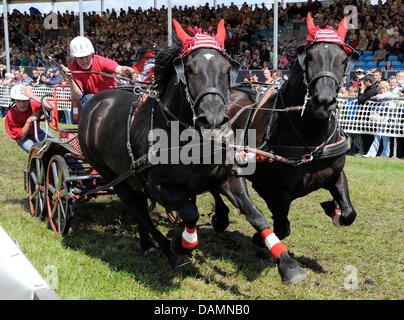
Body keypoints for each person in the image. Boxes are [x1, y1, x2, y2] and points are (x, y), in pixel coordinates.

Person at [62, 36, 137, 108]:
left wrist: (127, 70)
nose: (84, 60)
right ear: (75, 58)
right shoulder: (73, 68)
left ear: (92, 54)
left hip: (111, 97)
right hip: (92, 100)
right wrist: (70, 78)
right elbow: (78, 95)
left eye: (87, 56)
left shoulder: (101, 61)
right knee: (89, 98)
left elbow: (119, 69)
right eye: (81, 58)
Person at [4, 84, 54, 153]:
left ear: (28, 100)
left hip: (38, 131)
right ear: (14, 101)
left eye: (24, 100)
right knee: (37, 152)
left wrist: (32, 96)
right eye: (18, 101)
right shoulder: (11, 115)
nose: (22, 104)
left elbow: (52, 106)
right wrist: (29, 120)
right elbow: (21, 137)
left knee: (56, 145)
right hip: (24, 138)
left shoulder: (33, 104)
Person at [362, 81, 398, 158]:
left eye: (384, 88)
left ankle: (383, 154)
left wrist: (376, 97)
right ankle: (375, 154)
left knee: (385, 137)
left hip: (388, 119)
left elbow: (381, 97)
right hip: (381, 119)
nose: (382, 90)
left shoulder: (390, 94)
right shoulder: (383, 95)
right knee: (379, 136)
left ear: (387, 88)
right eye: (381, 88)